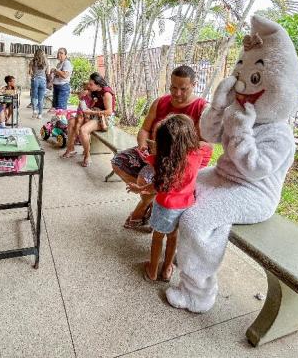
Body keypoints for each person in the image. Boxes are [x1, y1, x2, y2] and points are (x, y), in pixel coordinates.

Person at [110, 65, 208, 230]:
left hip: (181, 161)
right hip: (154, 152)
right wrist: (142, 146)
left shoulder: (202, 108)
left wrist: (169, 150)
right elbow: (144, 129)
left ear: (194, 85)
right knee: (118, 162)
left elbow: (204, 144)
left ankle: (144, 204)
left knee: (147, 178)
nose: (177, 93)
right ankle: (154, 198)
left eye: (183, 89)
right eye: (173, 88)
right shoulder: (160, 102)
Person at [128, 115, 212, 282]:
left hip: (165, 206)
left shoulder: (163, 161)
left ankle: (152, 270)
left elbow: (157, 186)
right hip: (186, 206)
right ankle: (167, 269)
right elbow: (207, 147)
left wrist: (140, 188)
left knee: (158, 237)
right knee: (173, 237)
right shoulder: (197, 155)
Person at [61, 72, 115, 167]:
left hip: (104, 118)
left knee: (83, 130)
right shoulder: (95, 90)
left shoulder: (106, 93)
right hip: (93, 114)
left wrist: (91, 113)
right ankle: (71, 149)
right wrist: (84, 93)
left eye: (91, 84)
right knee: (71, 122)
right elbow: (81, 96)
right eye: (89, 84)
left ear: (98, 84)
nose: (89, 86)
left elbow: (109, 112)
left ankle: (87, 155)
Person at [29, 49, 49, 119]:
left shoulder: (32, 61)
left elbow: (30, 72)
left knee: (34, 97)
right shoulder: (46, 62)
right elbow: (47, 73)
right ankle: (40, 114)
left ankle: (34, 110)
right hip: (43, 81)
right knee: (41, 99)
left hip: (35, 80)